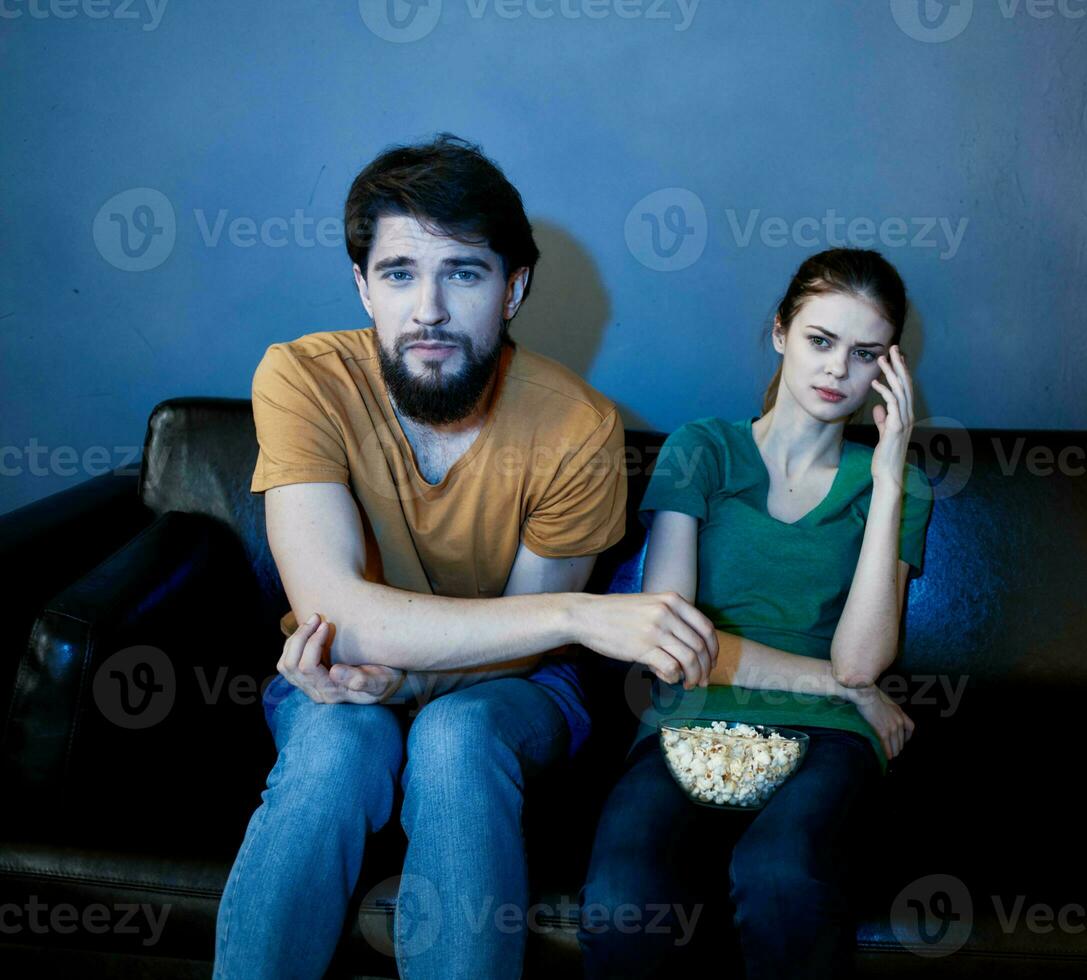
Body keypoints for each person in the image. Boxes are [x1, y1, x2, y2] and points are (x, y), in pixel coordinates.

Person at [213, 133, 720, 980]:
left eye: (465, 272)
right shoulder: (301, 379)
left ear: (513, 287)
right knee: (335, 745)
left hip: (516, 686)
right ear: (362, 286)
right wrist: (579, 613)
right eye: (400, 273)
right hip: (333, 679)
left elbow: (520, 649)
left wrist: (408, 677)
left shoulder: (577, 425)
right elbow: (336, 604)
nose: (430, 310)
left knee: (453, 737)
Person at [577, 248, 934, 979]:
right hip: (690, 720)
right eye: (820, 341)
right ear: (779, 333)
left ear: (886, 370)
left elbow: (863, 661)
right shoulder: (701, 450)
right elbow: (669, 645)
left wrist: (892, 475)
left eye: (863, 353)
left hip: (830, 739)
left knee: (780, 876)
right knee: (622, 897)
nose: (837, 370)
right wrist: (844, 688)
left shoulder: (892, 484)